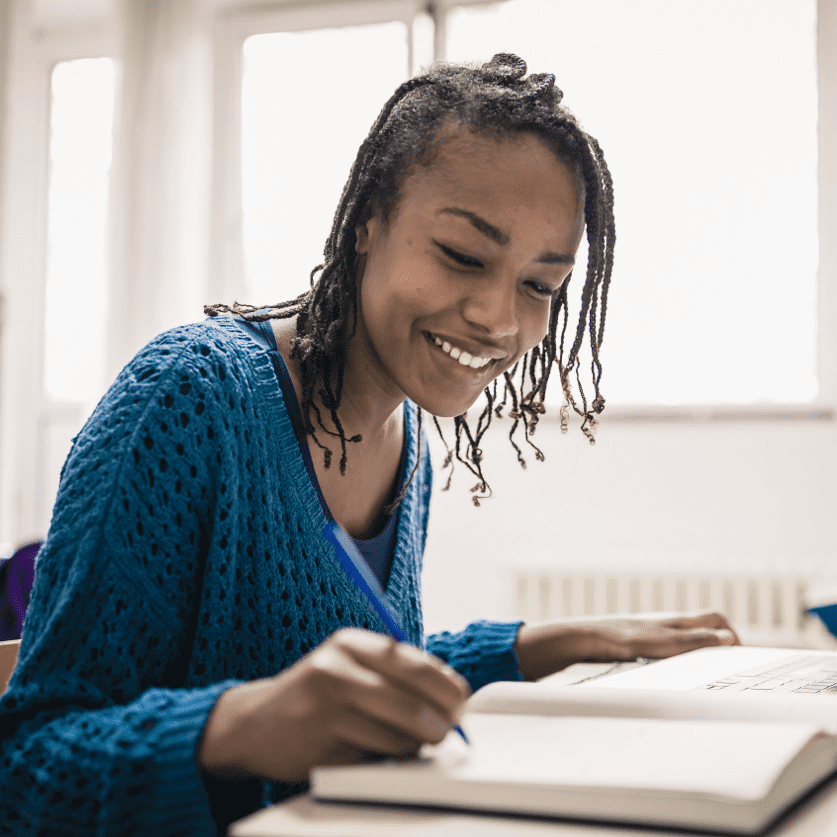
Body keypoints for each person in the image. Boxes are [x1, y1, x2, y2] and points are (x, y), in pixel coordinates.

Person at [0, 54, 737, 836]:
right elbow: (27, 762)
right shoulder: (190, 398)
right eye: (461, 255)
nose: (498, 317)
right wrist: (236, 726)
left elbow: (356, 678)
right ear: (366, 222)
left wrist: (547, 642)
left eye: (540, 286)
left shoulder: (407, 437)